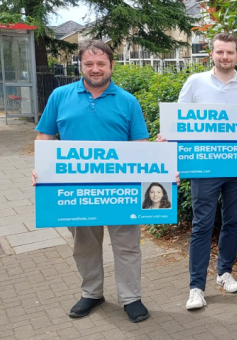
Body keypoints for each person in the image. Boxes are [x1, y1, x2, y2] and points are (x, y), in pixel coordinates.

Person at [31, 40, 152, 323]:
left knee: (127, 245)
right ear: (81, 65)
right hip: (75, 189)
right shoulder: (60, 96)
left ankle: (131, 297)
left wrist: (159, 173)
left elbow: (141, 145)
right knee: (84, 244)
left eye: (101, 64)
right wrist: (40, 170)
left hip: (120, 190)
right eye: (89, 64)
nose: (95, 69)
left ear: (111, 65)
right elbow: (45, 138)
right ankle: (92, 293)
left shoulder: (127, 101)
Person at [163, 32, 237, 311]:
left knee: (233, 221)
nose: (225, 57)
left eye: (230, 52)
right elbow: (178, 122)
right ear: (211, 54)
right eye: (220, 52)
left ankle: (224, 273)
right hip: (205, 166)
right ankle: (196, 287)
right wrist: (168, 140)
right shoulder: (195, 83)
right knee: (202, 225)